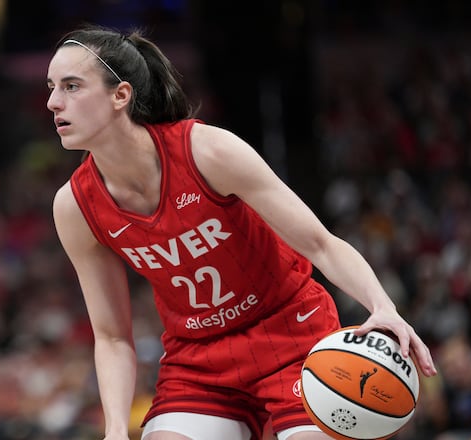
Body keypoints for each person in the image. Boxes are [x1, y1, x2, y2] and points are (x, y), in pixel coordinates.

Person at [47, 24, 437, 440]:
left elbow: (322, 244)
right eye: (51, 87)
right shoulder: (74, 207)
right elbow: (111, 335)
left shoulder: (208, 152)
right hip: (199, 360)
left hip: (291, 335)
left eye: (72, 86)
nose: (53, 102)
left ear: (120, 95)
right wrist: (114, 432)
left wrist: (382, 306)